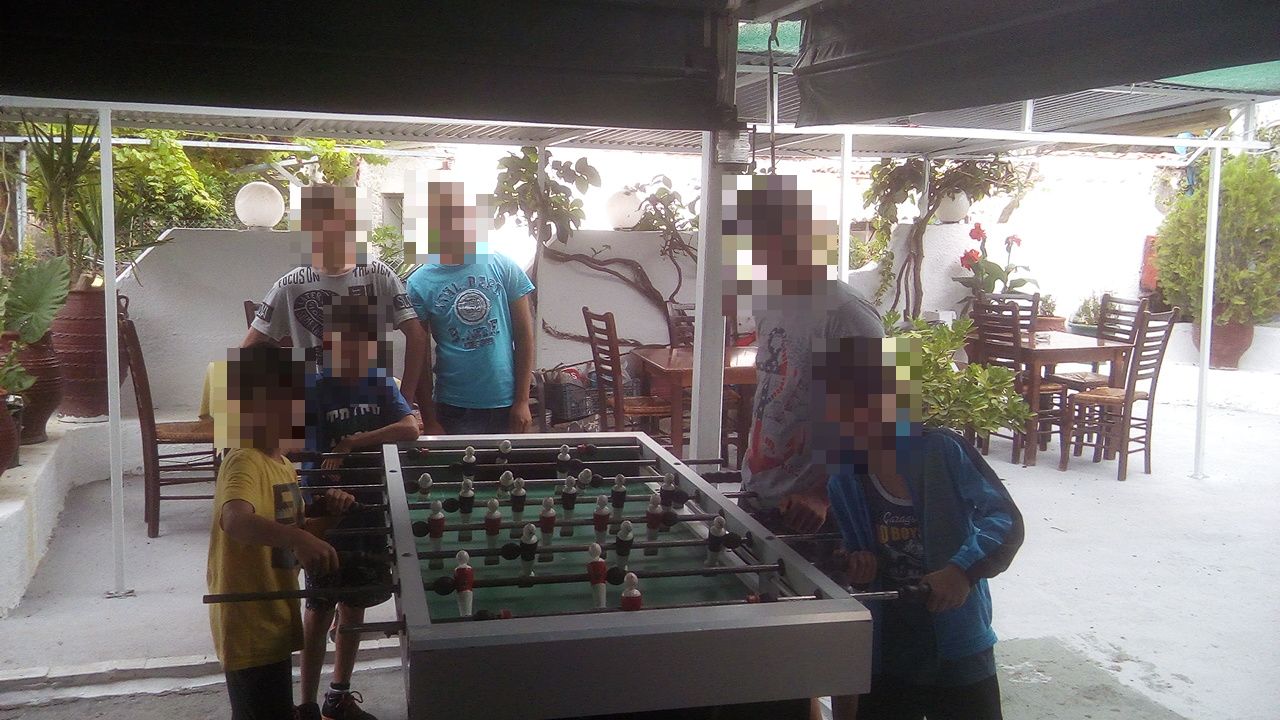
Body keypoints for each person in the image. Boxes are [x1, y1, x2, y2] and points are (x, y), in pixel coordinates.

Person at [818, 336, 1023, 720]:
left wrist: (962, 571)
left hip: (958, 639)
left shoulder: (943, 451)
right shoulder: (844, 479)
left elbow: (1005, 520)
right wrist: (851, 563)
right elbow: (839, 546)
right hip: (888, 646)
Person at [725, 174, 884, 534]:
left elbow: (882, 421)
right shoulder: (769, 301)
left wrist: (822, 495)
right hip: (758, 494)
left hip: (811, 513)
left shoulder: (846, 312)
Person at [206, 345, 355, 720]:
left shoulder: (283, 465)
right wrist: (300, 538)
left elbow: (293, 535)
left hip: (274, 612)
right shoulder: (244, 459)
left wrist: (327, 520)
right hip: (247, 620)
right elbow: (234, 519)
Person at [296, 297, 420, 720]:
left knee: (353, 605)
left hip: (368, 508)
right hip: (326, 512)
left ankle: (338, 695)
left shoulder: (380, 381)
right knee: (318, 608)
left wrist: (352, 442)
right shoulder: (314, 388)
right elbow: (307, 455)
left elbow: (410, 428)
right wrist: (325, 498)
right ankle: (306, 704)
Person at [243, 183, 427, 424]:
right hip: (315, 408)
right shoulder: (289, 285)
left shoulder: (378, 275)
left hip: (374, 404)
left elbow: (417, 335)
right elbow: (249, 349)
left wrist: (405, 398)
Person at [405, 180, 535, 435]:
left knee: (506, 462)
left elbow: (524, 336)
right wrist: (430, 419)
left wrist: (522, 401)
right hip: (454, 407)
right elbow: (420, 356)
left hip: (506, 403)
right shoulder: (419, 282)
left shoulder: (503, 265)